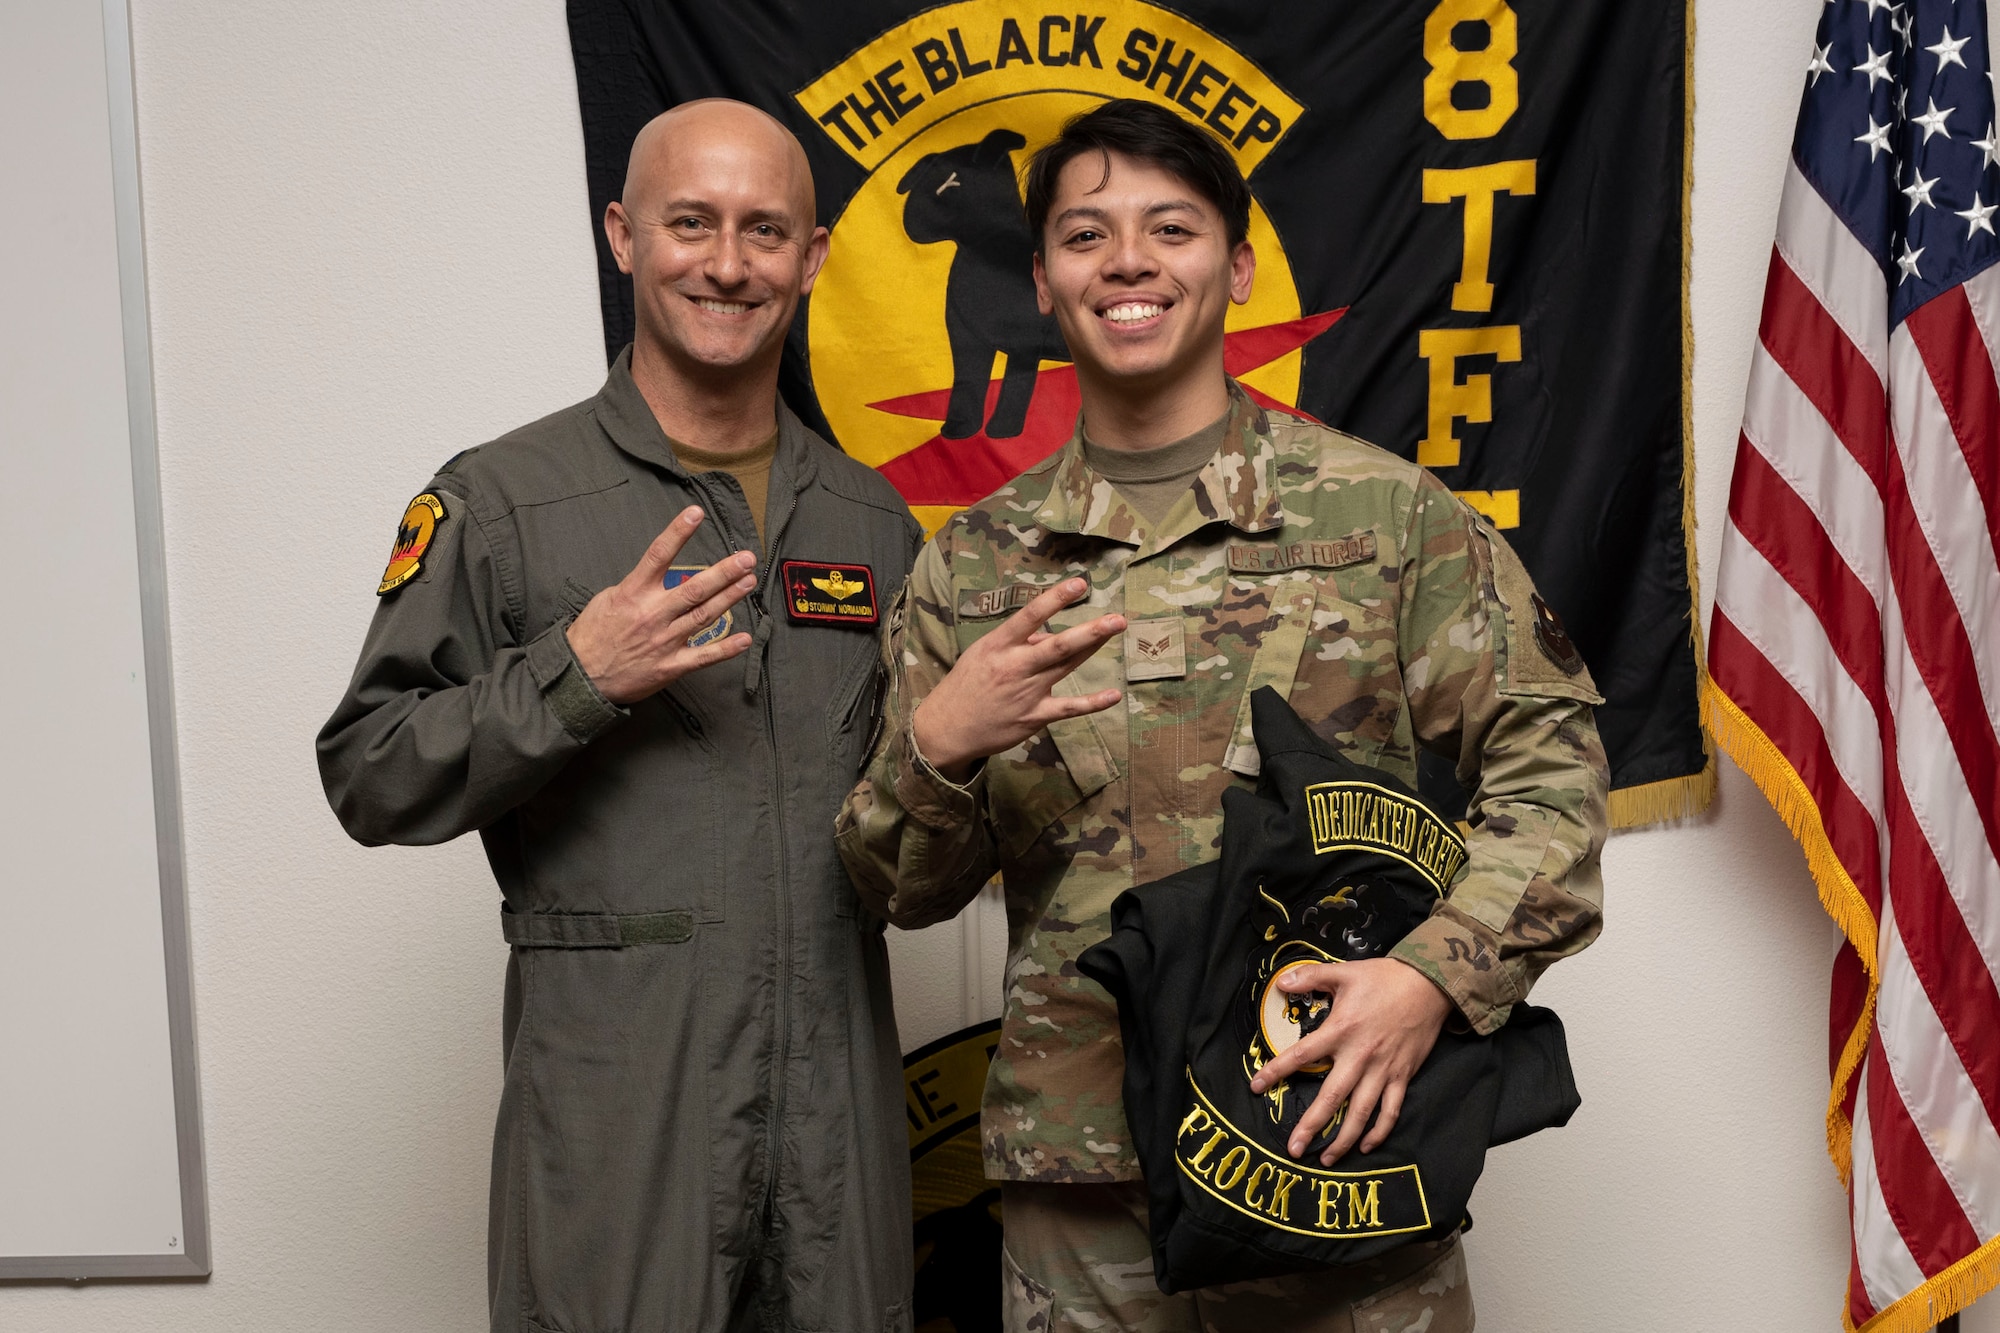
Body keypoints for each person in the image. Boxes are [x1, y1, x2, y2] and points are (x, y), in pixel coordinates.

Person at [836, 98, 1608, 1332]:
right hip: (1081, 1190)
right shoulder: (973, 567)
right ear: (1039, 280)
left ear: (1235, 265)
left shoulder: (1387, 519)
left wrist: (1426, 980)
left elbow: (1552, 773)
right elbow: (900, 888)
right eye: (1085, 236)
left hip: (1331, 1150)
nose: (1127, 261)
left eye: (1170, 227)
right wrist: (941, 745)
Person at [319, 99, 922, 1333]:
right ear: (622, 236)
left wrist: (956, 748)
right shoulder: (501, 503)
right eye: (689, 222)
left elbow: (911, 850)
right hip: (616, 1119)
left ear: (810, 259)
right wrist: (576, 673)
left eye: (765, 230)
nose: (727, 262)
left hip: (838, 1125)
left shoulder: (873, 524)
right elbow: (369, 772)